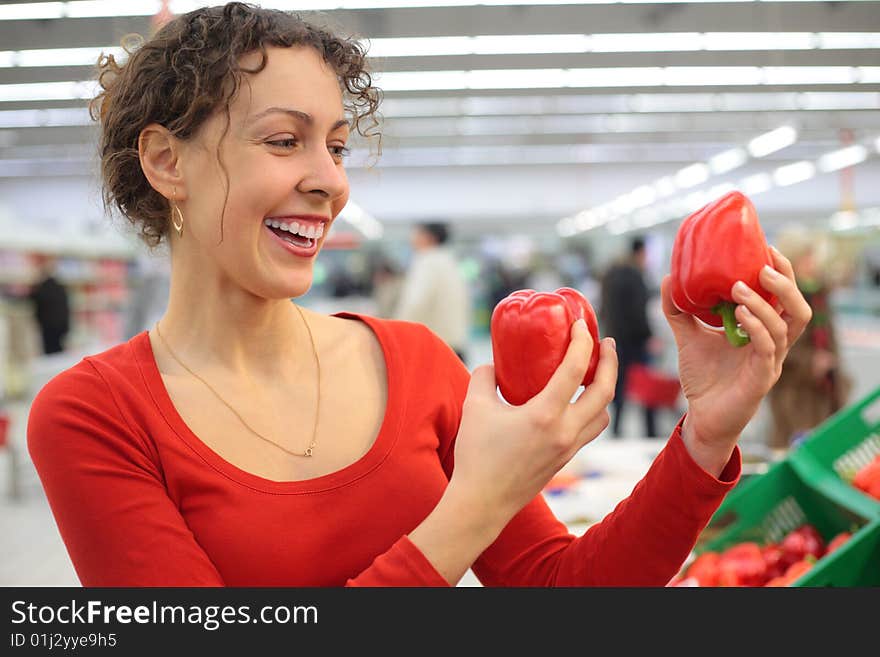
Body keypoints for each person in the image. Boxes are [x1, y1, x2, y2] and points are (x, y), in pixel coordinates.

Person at [26, 3, 812, 587]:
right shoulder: (95, 416)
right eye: (283, 140)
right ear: (167, 162)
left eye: (336, 146)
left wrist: (706, 435)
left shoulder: (414, 365)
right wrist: (473, 505)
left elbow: (560, 589)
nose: (329, 180)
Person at [767, 232, 852, 453]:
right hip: (794, 396)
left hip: (825, 392)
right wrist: (810, 361)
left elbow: (829, 341)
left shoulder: (819, 296)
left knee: (826, 451)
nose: (812, 263)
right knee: (796, 454)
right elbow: (774, 347)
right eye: (806, 257)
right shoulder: (778, 299)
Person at [599, 237, 657, 438]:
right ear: (640, 252)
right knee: (645, 386)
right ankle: (650, 431)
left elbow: (603, 308)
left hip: (615, 339)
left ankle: (616, 429)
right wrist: (649, 336)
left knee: (619, 384)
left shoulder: (610, 274)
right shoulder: (635, 275)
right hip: (636, 341)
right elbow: (638, 310)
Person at [392, 221, 471, 364]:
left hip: (433, 346)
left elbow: (416, 303)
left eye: (417, 234)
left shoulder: (426, 262)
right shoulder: (450, 261)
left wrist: (397, 332)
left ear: (429, 237)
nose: (412, 239)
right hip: (454, 342)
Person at [27, 253, 71, 355]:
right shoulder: (60, 287)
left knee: (50, 348)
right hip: (60, 324)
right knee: (58, 348)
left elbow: (33, 299)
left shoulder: (43, 288)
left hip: (49, 324)